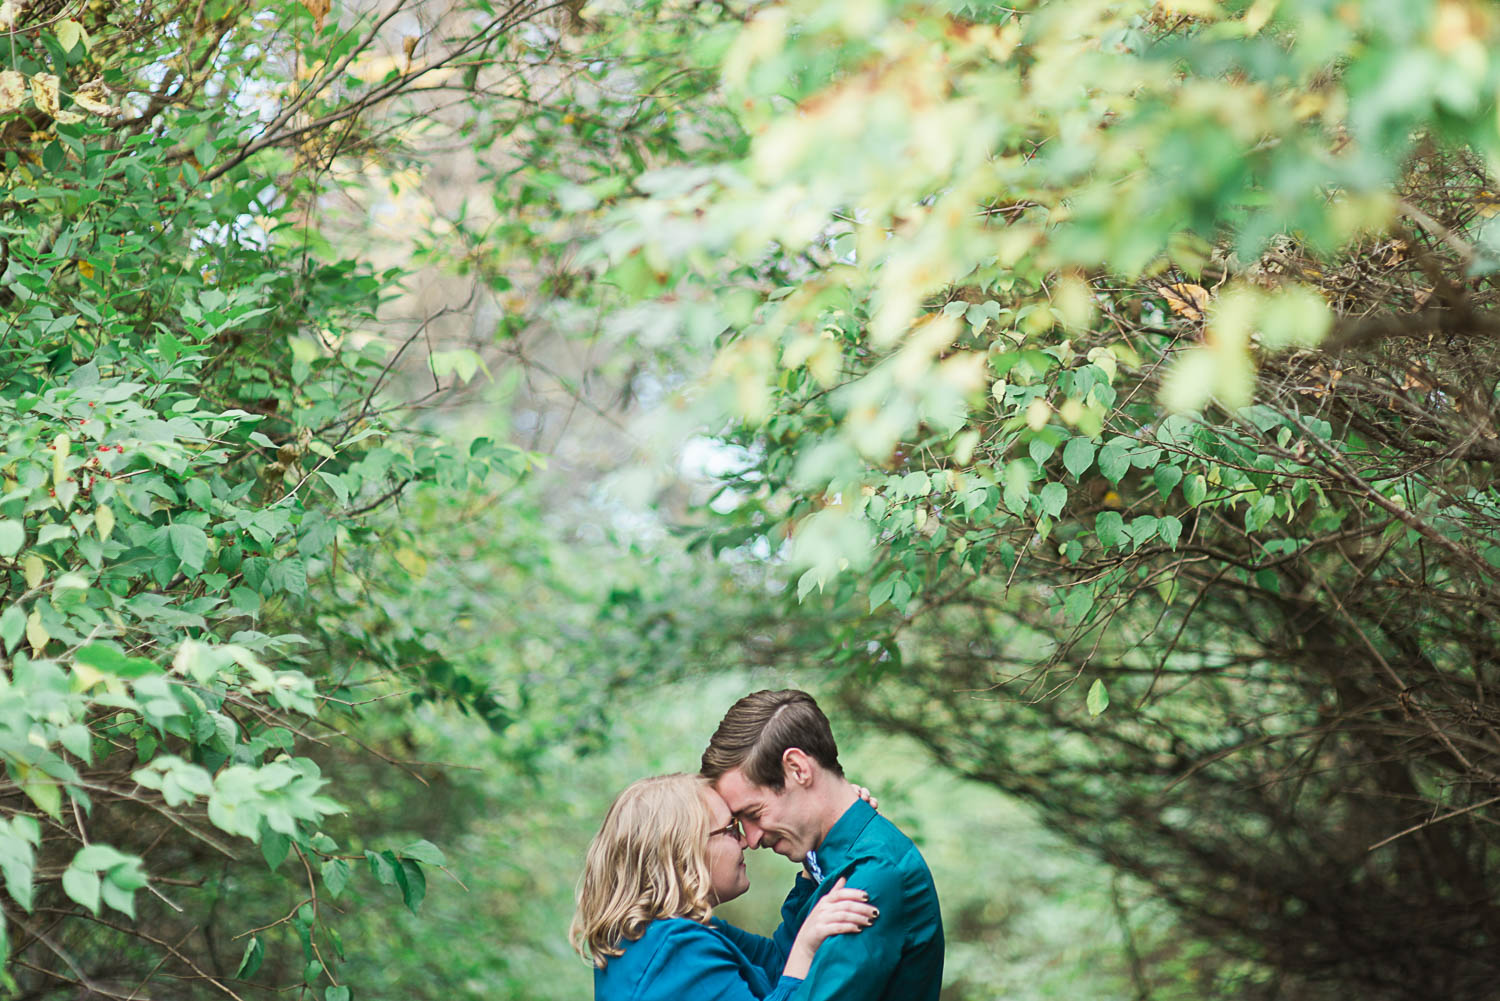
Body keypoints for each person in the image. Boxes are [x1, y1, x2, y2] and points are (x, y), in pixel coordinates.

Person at [701, 690, 944, 1001]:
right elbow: (784, 966)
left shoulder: (874, 876)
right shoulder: (825, 859)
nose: (751, 839)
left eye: (754, 813)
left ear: (798, 769)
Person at [570, 773, 879, 1001]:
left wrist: (818, 838)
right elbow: (792, 965)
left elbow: (773, 967)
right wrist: (805, 948)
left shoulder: (669, 934)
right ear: (684, 853)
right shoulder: (672, 951)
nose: (746, 841)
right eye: (731, 829)